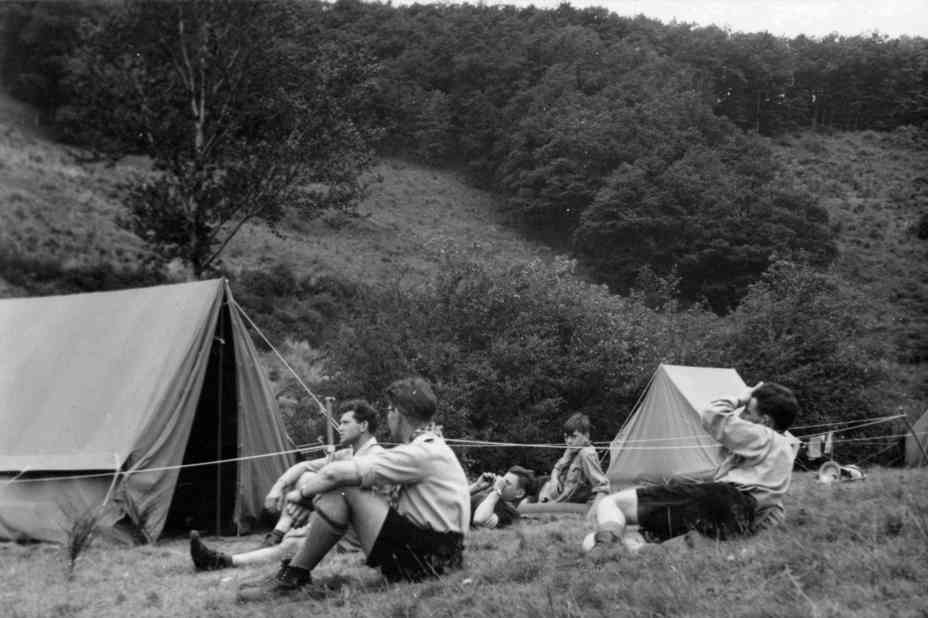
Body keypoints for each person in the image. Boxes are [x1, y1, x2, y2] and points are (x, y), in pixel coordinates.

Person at [237, 376, 470, 602]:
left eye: (390, 410)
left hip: (431, 560)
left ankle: (293, 577)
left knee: (344, 485)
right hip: (441, 554)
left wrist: (299, 495)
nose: (388, 418)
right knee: (339, 488)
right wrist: (315, 500)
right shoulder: (431, 448)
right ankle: (294, 574)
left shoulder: (421, 453)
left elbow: (333, 474)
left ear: (397, 413)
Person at [586, 382, 800, 559]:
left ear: (765, 422)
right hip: (733, 523)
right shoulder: (784, 453)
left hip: (721, 499)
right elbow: (772, 514)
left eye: (747, 411)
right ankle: (618, 550)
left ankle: (600, 554)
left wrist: (740, 398)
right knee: (603, 540)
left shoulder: (765, 435)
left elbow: (712, 414)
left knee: (610, 503)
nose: (741, 415)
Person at [189, 399, 383, 571]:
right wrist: (277, 488)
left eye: (345, 423)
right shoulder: (347, 454)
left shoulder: (376, 456)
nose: (339, 427)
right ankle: (277, 534)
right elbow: (302, 466)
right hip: (335, 520)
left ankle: (220, 560)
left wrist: (306, 499)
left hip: (353, 536)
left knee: (290, 546)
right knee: (306, 476)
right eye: (339, 422)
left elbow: (358, 502)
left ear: (363, 425)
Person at [537, 413, 610, 504]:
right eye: (566, 437)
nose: (569, 441)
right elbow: (557, 468)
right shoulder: (571, 450)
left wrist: (596, 507)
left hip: (572, 506)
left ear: (586, 436)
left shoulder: (586, 454)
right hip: (556, 500)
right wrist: (554, 480)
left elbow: (602, 486)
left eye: (574, 436)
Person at [469, 466, 535, 529]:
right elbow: (459, 498)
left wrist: (497, 490)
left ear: (519, 493)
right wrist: (476, 487)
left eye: (507, 483)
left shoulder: (509, 513)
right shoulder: (491, 496)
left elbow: (479, 519)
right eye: (503, 479)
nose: (501, 483)